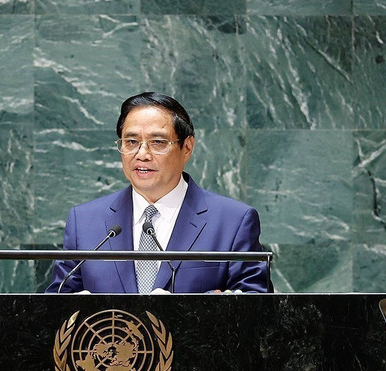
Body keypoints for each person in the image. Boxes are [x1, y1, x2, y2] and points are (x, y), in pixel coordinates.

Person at [46, 92, 272, 294]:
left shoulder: (233, 221)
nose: (142, 154)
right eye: (131, 141)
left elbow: (256, 309)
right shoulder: (84, 221)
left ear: (187, 147)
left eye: (157, 142)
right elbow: (53, 308)